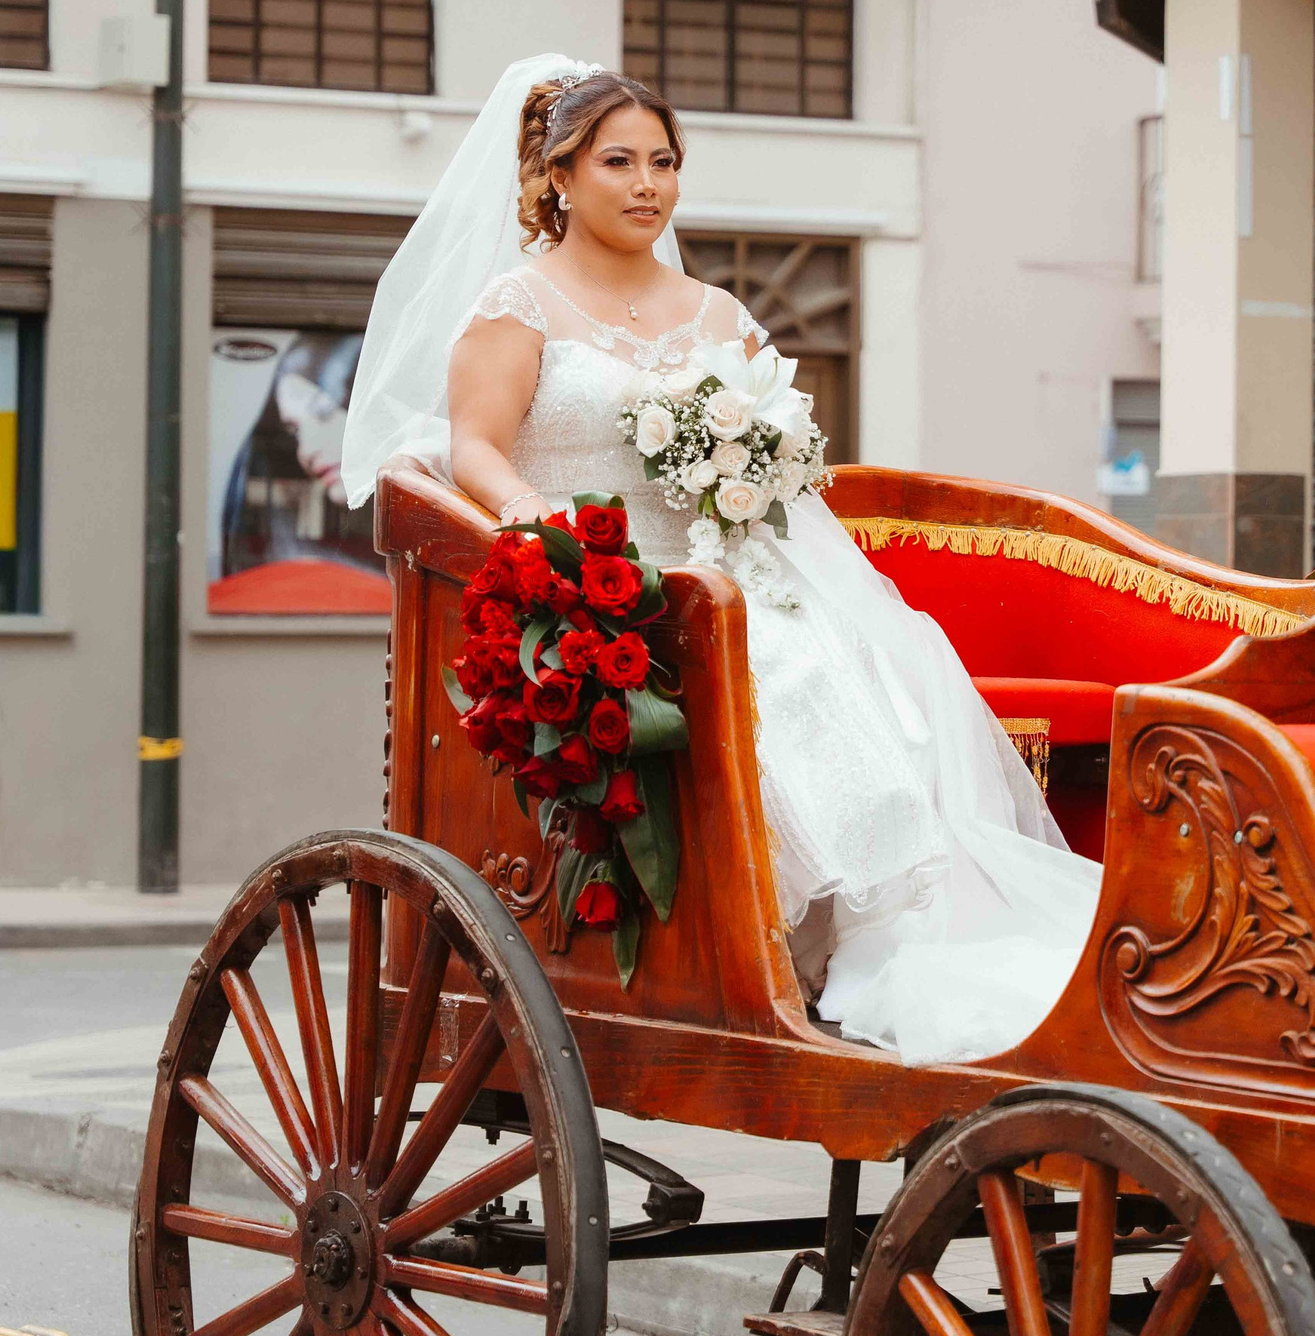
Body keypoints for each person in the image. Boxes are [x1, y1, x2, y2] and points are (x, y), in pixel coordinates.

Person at [340, 55, 1097, 1066]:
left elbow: (776, 472)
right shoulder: (516, 307)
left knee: (852, 690)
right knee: (762, 686)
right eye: (618, 161)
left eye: (664, 160)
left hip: (730, 568)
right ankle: (787, 955)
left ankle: (888, 948)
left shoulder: (718, 313)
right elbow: (473, 443)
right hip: (603, 580)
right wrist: (536, 523)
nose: (647, 183)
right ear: (558, 175)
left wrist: (759, 466)